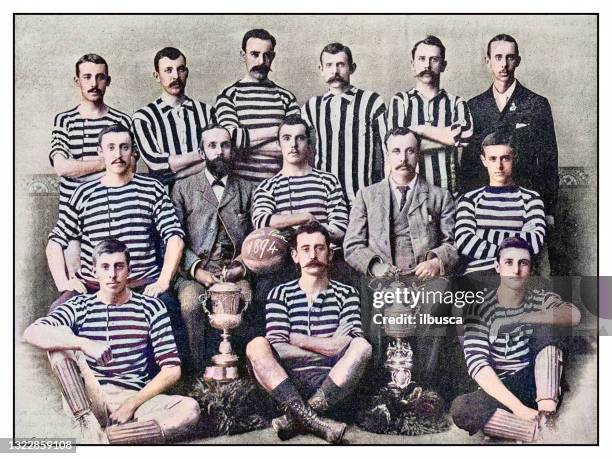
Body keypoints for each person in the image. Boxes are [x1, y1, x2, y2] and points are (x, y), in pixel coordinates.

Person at [23, 239, 200, 444]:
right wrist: (84, 343)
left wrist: (131, 404)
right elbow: (32, 332)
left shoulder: (151, 307)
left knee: (189, 410)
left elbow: (172, 370)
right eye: (105, 267)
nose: (112, 274)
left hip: (136, 396)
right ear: (94, 271)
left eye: (119, 266)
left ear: (129, 270)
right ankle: (88, 425)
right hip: (91, 397)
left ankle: (102, 439)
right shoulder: (80, 305)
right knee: (58, 340)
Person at [45, 123, 188, 362]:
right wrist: (64, 281)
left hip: (141, 285)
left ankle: (168, 389)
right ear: (101, 152)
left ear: (133, 152)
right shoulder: (83, 193)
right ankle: (79, 390)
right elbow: (55, 242)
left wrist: (163, 281)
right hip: (94, 286)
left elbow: (174, 237)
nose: (118, 154)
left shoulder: (152, 189)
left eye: (124, 147)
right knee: (57, 313)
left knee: (168, 310)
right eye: (111, 147)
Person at [343, 126, 458, 384]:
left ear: (418, 155)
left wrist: (436, 261)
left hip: (422, 277)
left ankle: (424, 386)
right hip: (382, 276)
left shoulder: (440, 197)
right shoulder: (367, 196)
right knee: (370, 298)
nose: (403, 158)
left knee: (439, 293)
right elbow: (352, 245)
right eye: (396, 151)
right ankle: (382, 386)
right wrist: (375, 267)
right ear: (386, 155)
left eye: (410, 151)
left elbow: (453, 244)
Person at [246, 221, 372, 444]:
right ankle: (315, 421)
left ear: (330, 254)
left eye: (319, 248)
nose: (313, 254)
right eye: (305, 249)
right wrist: (329, 347)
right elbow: (277, 346)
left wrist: (297, 338)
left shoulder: (347, 293)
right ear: (294, 256)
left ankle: (295, 418)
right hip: (286, 383)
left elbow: (349, 343)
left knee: (362, 347)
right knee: (256, 345)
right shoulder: (279, 293)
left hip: (331, 384)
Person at [451, 237, 581, 442]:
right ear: (497, 267)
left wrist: (524, 318)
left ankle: (546, 412)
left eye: (523, 263)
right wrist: (518, 408)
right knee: (462, 409)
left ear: (531, 269)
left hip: (536, 383)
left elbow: (574, 315)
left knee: (549, 326)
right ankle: (538, 432)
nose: (516, 270)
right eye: (509, 262)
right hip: (501, 386)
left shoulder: (539, 297)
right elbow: (478, 365)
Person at [171, 124, 256, 373]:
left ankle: (243, 375)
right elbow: (173, 237)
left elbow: (254, 237)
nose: (219, 151)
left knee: (246, 299)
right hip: (195, 273)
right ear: (201, 152)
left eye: (225, 145)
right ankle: (199, 374)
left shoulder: (247, 189)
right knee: (190, 304)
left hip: (235, 270)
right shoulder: (183, 188)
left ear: (233, 151)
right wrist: (196, 270)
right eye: (212, 146)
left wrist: (239, 268)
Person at [460, 34, 558, 226]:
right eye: (498, 57)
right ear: (488, 61)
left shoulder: (537, 104)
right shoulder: (474, 106)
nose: (504, 64)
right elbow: (469, 163)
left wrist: (548, 209)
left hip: (527, 205)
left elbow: (549, 160)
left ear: (517, 61)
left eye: (509, 57)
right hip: (485, 205)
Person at [50, 53, 132, 276]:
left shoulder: (121, 121)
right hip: (73, 223)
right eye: (87, 77)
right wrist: (108, 162)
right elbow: (62, 167)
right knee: (77, 284)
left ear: (108, 80)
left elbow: (129, 165)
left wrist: (82, 167)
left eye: (100, 77)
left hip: (115, 217)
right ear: (77, 80)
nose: (94, 84)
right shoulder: (64, 120)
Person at [386, 36, 473, 196]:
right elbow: (396, 145)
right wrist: (447, 139)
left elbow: (465, 137)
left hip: (449, 194)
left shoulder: (456, 103)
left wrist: (418, 130)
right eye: (421, 59)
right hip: (411, 196)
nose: (427, 65)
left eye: (434, 59)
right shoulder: (401, 101)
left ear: (443, 65)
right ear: (413, 64)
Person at [301, 42, 387, 204]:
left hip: (362, 198)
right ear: (321, 69)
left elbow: (387, 147)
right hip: (325, 199)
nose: (335, 71)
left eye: (341, 65)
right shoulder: (312, 106)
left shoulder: (371, 101)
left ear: (352, 68)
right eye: (329, 65)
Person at [454, 131, 546, 278]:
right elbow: (465, 242)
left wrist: (482, 234)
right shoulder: (469, 199)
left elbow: (534, 242)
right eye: (492, 159)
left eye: (505, 158)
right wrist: (515, 243)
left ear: (514, 158)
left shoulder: (531, 198)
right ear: (484, 161)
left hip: (516, 275)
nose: (499, 165)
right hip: (476, 277)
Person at [216, 28, 300, 183]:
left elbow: (295, 147)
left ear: (273, 56)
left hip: (280, 188)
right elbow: (231, 142)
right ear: (243, 55)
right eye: (254, 54)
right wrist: (279, 131)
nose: (261, 61)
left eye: (267, 55)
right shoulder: (228, 96)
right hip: (240, 190)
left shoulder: (286, 98)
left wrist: (245, 146)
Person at [252, 115, 349, 245]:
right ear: (278, 144)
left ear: (309, 143)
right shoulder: (268, 186)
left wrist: (312, 228)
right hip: (286, 259)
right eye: (287, 138)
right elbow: (261, 222)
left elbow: (341, 229)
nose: (293, 145)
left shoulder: (328, 181)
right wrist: (304, 218)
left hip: (323, 258)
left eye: (300, 138)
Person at [133, 47, 216, 186]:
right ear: (157, 76)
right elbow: (157, 163)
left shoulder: (207, 112)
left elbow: (217, 159)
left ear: (187, 73)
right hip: (164, 197)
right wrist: (204, 154)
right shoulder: (144, 117)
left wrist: (175, 175)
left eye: (181, 69)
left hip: (203, 194)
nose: (176, 76)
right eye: (168, 70)